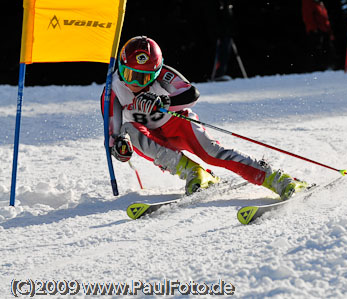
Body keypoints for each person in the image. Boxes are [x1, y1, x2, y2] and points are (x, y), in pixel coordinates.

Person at [101, 36, 308, 200]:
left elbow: (191, 94)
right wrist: (120, 148)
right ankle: (195, 173)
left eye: (143, 78)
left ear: (155, 73)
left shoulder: (164, 75)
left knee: (213, 153)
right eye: (129, 74)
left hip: (177, 126)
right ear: (121, 67)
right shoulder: (112, 90)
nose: (135, 83)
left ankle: (277, 178)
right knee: (128, 130)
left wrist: (163, 101)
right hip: (151, 138)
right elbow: (113, 133)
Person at [302, 0, 337, 71]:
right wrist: (314, 29)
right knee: (317, 50)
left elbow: (324, 16)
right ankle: (318, 68)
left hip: (324, 30)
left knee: (327, 49)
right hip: (316, 31)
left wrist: (329, 31)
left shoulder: (319, 2)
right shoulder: (308, 2)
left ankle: (328, 66)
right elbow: (307, 16)